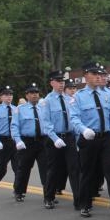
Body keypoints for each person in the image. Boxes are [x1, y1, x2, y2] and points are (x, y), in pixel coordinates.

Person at [69, 62, 110, 219]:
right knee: (88, 173)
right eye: (94, 74)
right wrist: (83, 130)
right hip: (89, 138)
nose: (98, 77)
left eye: (100, 74)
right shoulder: (78, 97)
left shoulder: (107, 96)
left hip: (107, 138)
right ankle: (85, 204)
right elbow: (73, 118)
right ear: (86, 76)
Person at [11, 83, 54, 203]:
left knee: (46, 169)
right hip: (27, 142)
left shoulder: (43, 108)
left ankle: (48, 195)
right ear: (27, 96)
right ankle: (19, 191)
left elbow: (49, 124)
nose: (35, 95)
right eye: (32, 93)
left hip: (43, 141)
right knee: (23, 168)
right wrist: (18, 140)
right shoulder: (20, 109)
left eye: (36, 93)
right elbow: (14, 126)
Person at [40, 70, 73, 209]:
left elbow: (73, 119)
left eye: (63, 81)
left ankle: (80, 199)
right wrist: (55, 138)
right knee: (53, 169)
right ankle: (49, 197)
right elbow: (46, 123)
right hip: (54, 138)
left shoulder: (68, 99)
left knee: (74, 168)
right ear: (52, 83)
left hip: (69, 136)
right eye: (58, 81)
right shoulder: (46, 101)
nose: (61, 84)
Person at [0, 85, 19, 194]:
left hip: (14, 141)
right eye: (6, 95)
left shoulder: (16, 109)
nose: (9, 97)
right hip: (3, 140)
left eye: (10, 94)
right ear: (1, 97)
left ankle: (17, 189)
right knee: (2, 167)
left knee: (18, 167)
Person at [61, 75, 82, 205]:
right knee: (58, 168)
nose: (72, 90)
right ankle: (51, 192)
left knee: (75, 168)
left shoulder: (79, 100)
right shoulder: (64, 101)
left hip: (75, 137)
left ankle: (78, 199)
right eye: (70, 88)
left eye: (74, 88)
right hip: (60, 137)